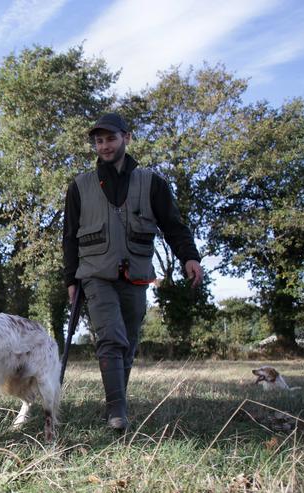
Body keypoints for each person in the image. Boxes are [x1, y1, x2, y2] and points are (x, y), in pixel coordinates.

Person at [62, 113, 202, 431]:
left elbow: (173, 225)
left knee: (127, 342)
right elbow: (69, 236)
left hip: (136, 274)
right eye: (98, 141)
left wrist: (189, 257)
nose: (104, 145)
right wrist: (70, 279)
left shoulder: (152, 182)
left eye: (110, 138)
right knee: (110, 337)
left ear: (126, 137)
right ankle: (117, 414)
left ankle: (116, 406)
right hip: (94, 274)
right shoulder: (80, 186)